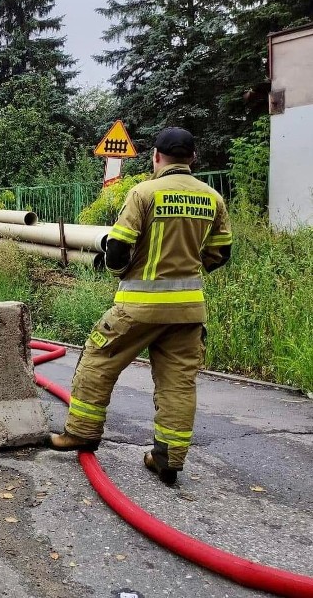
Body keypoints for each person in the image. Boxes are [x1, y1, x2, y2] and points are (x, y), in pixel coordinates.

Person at [46, 127, 232, 485]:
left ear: (156, 157)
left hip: (138, 307)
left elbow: (117, 247)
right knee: (178, 384)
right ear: (192, 158)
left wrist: (121, 272)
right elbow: (221, 252)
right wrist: (193, 265)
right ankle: (168, 460)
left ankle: (82, 433)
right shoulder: (212, 198)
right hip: (188, 311)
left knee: (98, 359)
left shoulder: (144, 192)